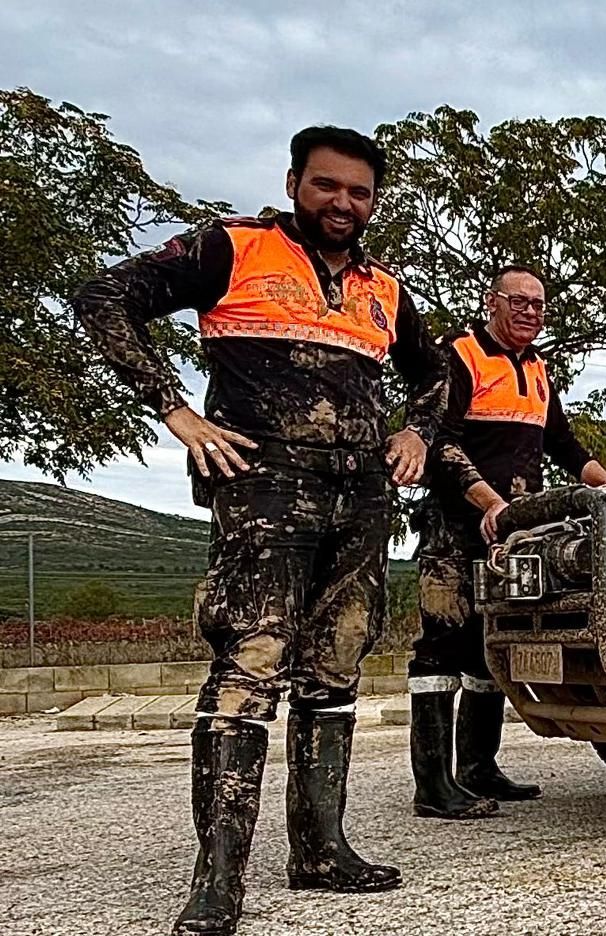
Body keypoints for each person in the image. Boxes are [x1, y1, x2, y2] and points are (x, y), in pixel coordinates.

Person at [72, 126, 449, 935]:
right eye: (327, 186)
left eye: (359, 192)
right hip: (264, 489)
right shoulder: (231, 248)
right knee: (249, 670)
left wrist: (414, 432)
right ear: (293, 184)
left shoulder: (385, 288)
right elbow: (104, 297)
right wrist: (175, 410)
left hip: (360, 498)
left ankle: (321, 850)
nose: (343, 203)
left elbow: (437, 370)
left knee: (336, 669)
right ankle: (217, 880)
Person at [408, 263, 606, 819]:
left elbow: (565, 445)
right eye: (518, 301)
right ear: (491, 302)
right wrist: (488, 502)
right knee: (441, 647)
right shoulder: (461, 356)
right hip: (456, 527)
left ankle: (478, 767)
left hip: (517, 530)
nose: (530, 312)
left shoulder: (540, 369)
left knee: (490, 644)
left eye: (539, 305)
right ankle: (433, 784)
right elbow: (441, 445)